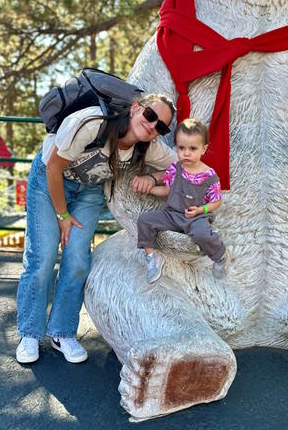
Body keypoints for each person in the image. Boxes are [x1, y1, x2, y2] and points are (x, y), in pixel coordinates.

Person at [16, 93, 176, 365]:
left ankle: (62, 332)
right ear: (136, 107)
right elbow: (54, 168)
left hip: (88, 192)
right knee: (42, 257)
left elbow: (182, 166)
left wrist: (152, 177)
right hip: (49, 181)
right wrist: (62, 214)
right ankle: (29, 333)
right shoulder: (91, 123)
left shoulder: (149, 147)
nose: (152, 126)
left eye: (161, 126)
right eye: (150, 115)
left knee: (78, 260)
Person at [137, 118, 227, 284]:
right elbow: (167, 191)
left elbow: (216, 202)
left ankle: (219, 255)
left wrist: (201, 210)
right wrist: (149, 189)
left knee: (201, 233)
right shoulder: (174, 169)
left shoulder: (209, 176)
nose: (186, 153)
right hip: (172, 213)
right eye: (181, 148)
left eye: (192, 148)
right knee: (144, 220)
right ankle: (152, 259)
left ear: (203, 149)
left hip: (196, 216)